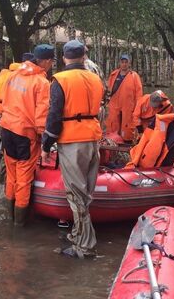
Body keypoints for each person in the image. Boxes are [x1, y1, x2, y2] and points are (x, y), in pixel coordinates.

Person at [41, 40, 104, 259]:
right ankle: (79, 235)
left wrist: (46, 144)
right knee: (86, 192)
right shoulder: (96, 78)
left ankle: (85, 246)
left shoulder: (60, 79)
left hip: (72, 140)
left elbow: (54, 115)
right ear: (83, 56)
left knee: (76, 194)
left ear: (65, 56)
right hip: (93, 138)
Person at [0, 44, 53, 226]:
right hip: (24, 133)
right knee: (23, 179)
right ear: (45, 61)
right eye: (51, 61)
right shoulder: (42, 82)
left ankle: (9, 218)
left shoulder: (13, 74)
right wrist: (44, 140)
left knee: (11, 175)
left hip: (6, 128)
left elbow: (3, 99)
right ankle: (19, 225)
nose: (51, 65)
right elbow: (42, 115)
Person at [106, 54, 143, 142]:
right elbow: (108, 90)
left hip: (128, 107)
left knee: (127, 128)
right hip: (114, 105)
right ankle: (113, 141)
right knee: (113, 125)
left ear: (129, 63)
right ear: (119, 63)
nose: (124, 64)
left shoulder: (134, 76)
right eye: (122, 62)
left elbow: (139, 93)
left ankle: (127, 143)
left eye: (126, 62)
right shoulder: (113, 75)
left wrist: (138, 108)